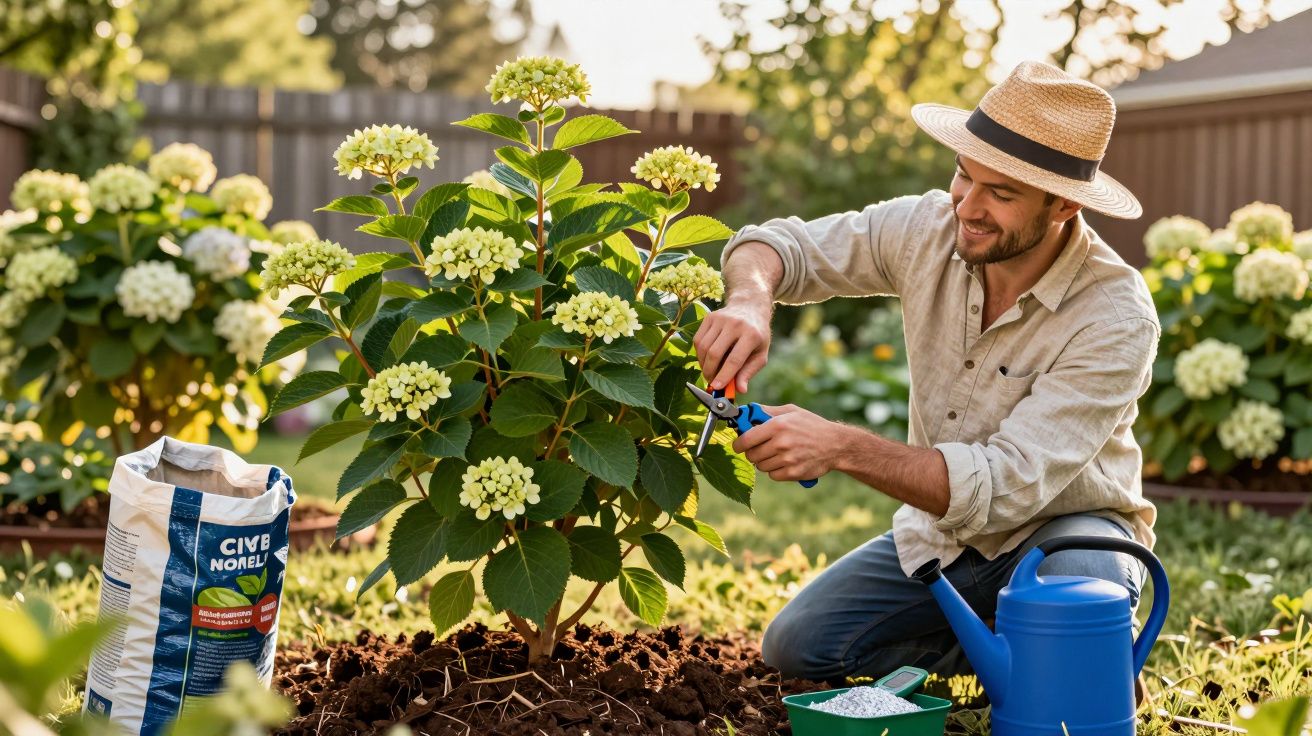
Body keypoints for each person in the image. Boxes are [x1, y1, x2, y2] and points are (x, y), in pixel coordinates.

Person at [694, 60, 1160, 688]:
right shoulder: (928, 228)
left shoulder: (1114, 317)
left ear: (1063, 205)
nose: (968, 205)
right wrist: (750, 299)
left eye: (1001, 193)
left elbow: (1004, 487)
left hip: (1065, 531)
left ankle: (1075, 654)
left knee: (1076, 597)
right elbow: (781, 244)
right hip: (946, 540)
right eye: (964, 176)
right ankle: (1034, 657)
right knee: (800, 647)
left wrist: (841, 447)